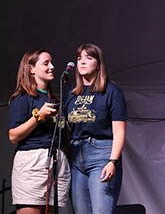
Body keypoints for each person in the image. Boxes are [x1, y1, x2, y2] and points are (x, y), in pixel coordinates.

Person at [65, 44, 128, 213]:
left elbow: (119, 131)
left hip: (102, 153)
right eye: (79, 58)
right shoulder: (70, 93)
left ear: (99, 64)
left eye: (88, 58)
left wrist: (112, 161)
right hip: (76, 155)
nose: (82, 62)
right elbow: (64, 127)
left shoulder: (111, 91)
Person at [8, 48, 71, 213]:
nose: (52, 67)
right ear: (31, 69)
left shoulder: (54, 100)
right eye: (46, 63)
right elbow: (13, 136)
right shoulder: (22, 98)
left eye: (51, 62)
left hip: (57, 163)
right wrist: (38, 116)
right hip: (33, 162)